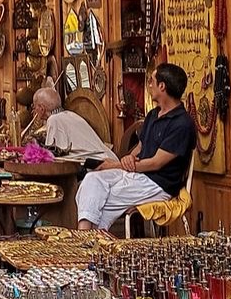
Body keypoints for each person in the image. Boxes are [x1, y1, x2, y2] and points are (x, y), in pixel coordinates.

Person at [76, 63, 197, 233]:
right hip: (136, 175)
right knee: (92, 180)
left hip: (158, 183)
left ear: (162, 86)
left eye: (151, 81)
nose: (149, 85)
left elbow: (156, 164)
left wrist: (116, 165)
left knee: (104, 198)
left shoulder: (182, 124)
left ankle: (89, 244)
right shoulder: (153, 115)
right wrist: (128, 158)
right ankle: (84, 238)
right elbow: (140, 146)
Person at [29, 85, 113, 165]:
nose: (34, 110)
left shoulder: (54, 119)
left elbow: (53, 158)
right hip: (107, 159)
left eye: (34, 106)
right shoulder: (70, 114)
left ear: (42, 108)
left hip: (99, 165)